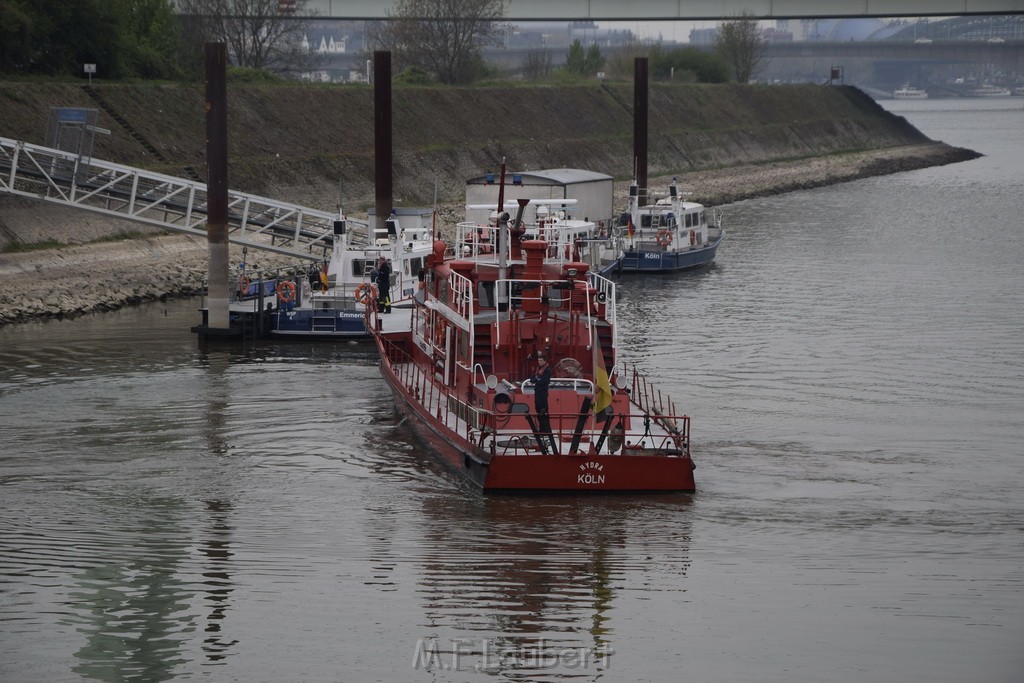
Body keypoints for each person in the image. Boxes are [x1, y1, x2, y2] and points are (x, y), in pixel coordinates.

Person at [531, 353, 557, 454]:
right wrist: (537, 380)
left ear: (545, 361)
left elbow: (544, 381)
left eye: (541, 361)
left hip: (543, 393)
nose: (540, 362)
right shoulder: (538, 370)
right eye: (539, 360)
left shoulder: (547, 370)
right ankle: (541, 429)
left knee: (544, 411)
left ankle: (546, 430)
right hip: (537, 393)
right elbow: (532, 379)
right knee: (538, 410)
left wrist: (537, 380)